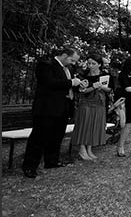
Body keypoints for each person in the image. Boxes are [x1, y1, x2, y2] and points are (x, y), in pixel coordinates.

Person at [21, 47, 87, 178]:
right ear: (64, 55)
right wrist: (70, 82)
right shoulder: (46, 65)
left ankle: (51, 160)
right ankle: (30, 166)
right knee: (39, 137)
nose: (73, 63)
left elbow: (68, 86)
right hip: (47, 108)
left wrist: (79, 86)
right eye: (72, 60)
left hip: (63, 107)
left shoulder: (69, 69)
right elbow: (49, 83)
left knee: (57, 136)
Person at [71, 53, 112, 161]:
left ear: (99, 64)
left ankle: (89, 148)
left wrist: (102, 87)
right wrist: (93, 87)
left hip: (100, 102)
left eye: (93, 63)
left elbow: (110, 89)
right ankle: (82, 148)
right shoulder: (83, 75)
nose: (90, 65)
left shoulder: (105, 75)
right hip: (86, 102)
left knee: (95, 124)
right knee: (85, 124)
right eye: (89, 63)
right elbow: (81, 91)